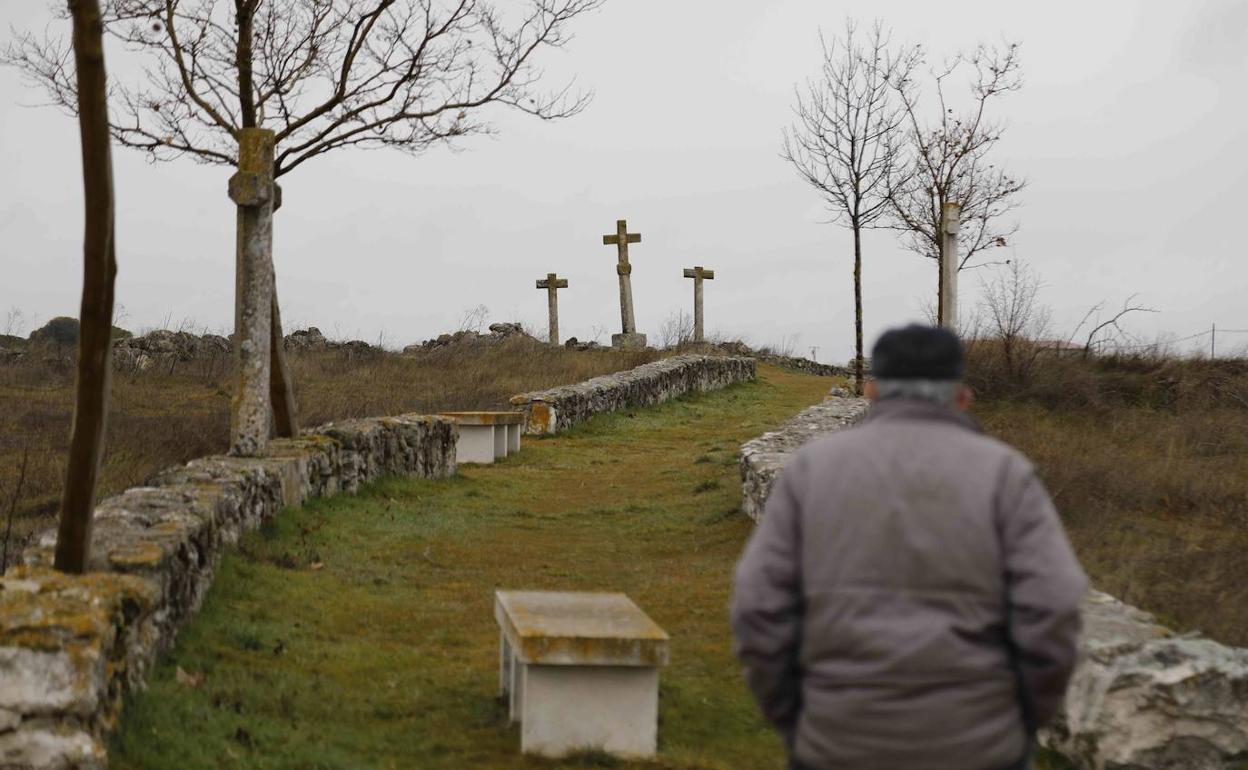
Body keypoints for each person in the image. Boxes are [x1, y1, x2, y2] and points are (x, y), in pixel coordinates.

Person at [730, 324, 1088, 770]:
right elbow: (1053, 610)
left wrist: (794, 713)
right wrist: (1022, 718)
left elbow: (759, 606)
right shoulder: (1006, 475)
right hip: (979, 745)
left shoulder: (812, 471)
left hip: (838, 739)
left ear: (872, 390)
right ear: (961, 396)